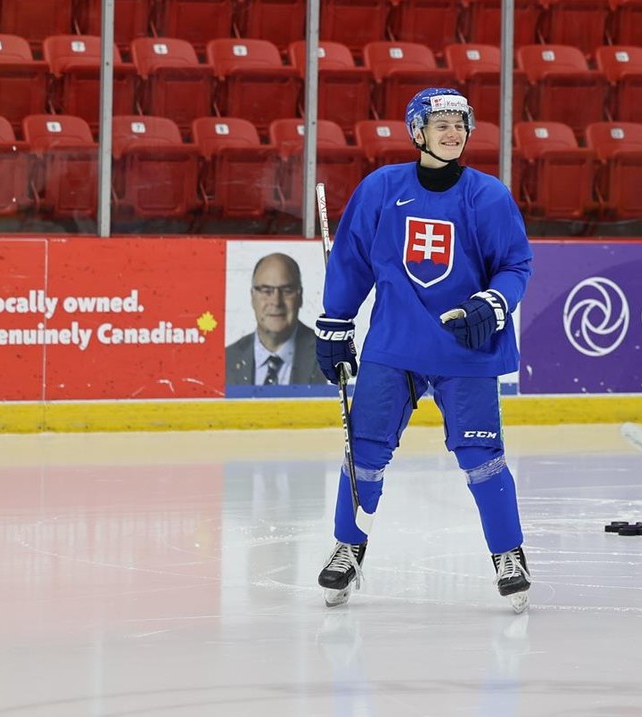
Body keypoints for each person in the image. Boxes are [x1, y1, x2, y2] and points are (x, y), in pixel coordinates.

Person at [312, 87, 535, 613]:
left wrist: (495, 302)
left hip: (466, 351)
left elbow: (515, 265)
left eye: (460, 123)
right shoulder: (382, 189)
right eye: (440, 124)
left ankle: (510, 555)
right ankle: (348, 547)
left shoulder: (489, 196)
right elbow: (351, 263)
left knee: (483, 459)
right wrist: (334, 326)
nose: (453, 132)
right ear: (417, 131)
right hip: (396, 347)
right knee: (363, 452)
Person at [226, 252, 319, 385]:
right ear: (252, 297)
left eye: (287, 290)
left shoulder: (325, 355)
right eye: (266, 290)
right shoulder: (228, 359)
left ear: (300, 297)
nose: (276, 302)